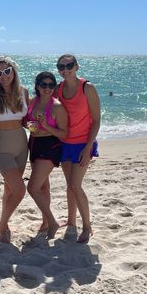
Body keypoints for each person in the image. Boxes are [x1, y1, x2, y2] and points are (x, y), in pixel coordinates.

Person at [0, 56, 29, 243]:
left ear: (13, 71)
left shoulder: (23, 92)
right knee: (19, 190)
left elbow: (29, 118)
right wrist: (4, 126)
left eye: (7, 71)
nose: (4, 76)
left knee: (10, 189)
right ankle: (2, 224)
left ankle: (5, 223)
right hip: (2, 147)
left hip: (22, 145)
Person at [55, 54, 101, 244]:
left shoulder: (87, 87)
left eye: (69, 65)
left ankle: (87, 227)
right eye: (61, 66)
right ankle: (71, 221)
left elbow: (97, 121)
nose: (65, 69)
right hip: (65, 143)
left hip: (84, 144)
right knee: (69, 185)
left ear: (77, 66)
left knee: (75, 185)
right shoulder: (58, 88)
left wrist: (88, 148)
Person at [26, 72, 68, 238]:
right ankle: (45, 222)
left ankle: (52, 221)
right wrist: (31, 126)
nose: (47, 88)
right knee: (43, 186)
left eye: (51, 85)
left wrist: (46, 126)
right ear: (37, 86)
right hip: (34, 144)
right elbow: (26, 122)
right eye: (44, 85)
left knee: (32, 187)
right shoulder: (32, 102)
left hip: (50, 145)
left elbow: (64, 133)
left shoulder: (57, 106)